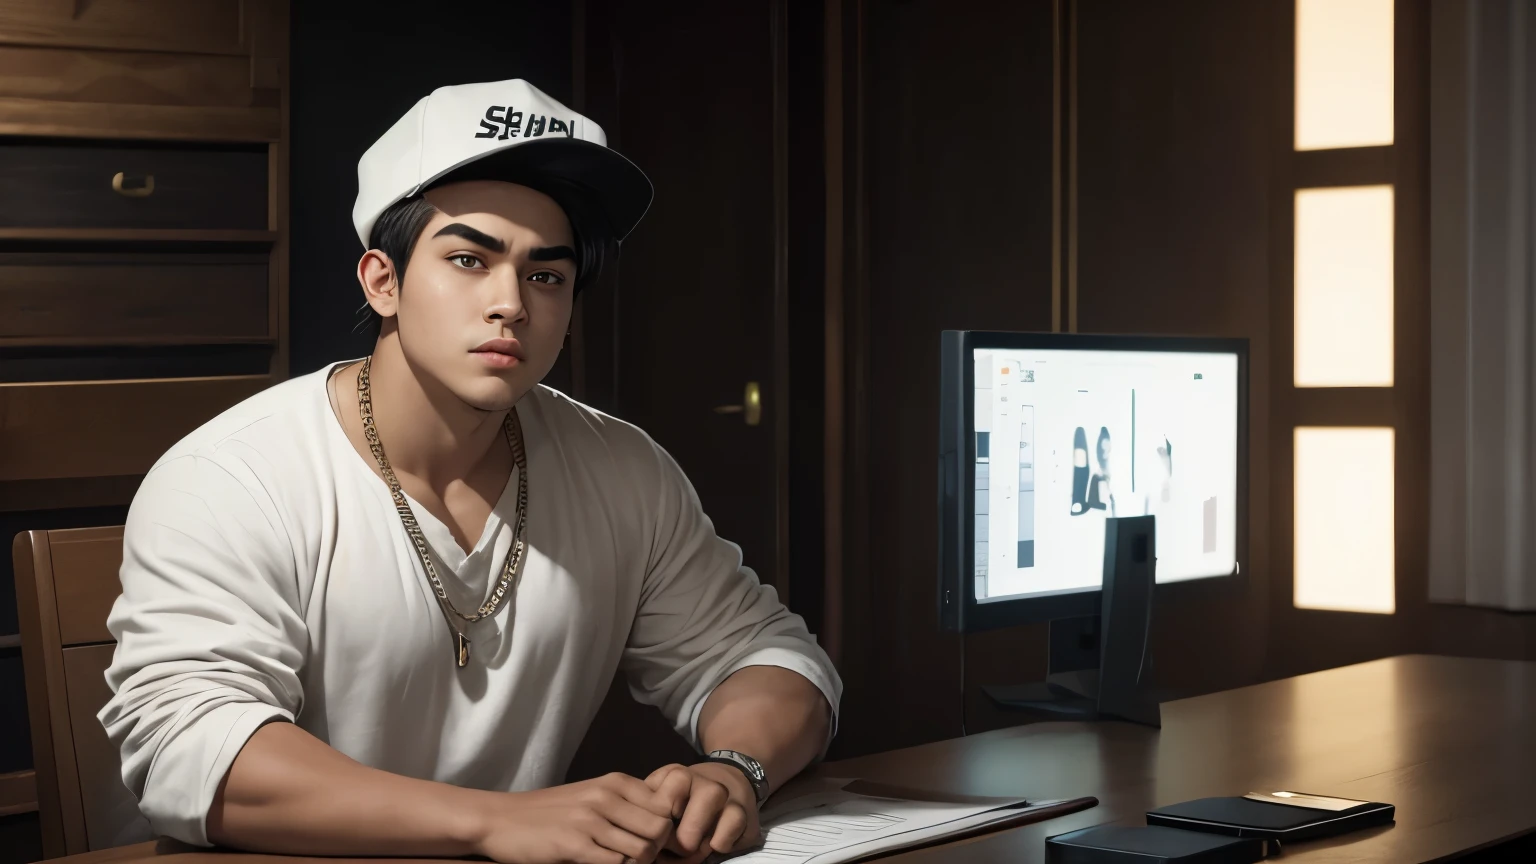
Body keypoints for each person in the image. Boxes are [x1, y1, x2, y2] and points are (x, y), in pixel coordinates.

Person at [98, 79, 840, 864]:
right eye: (467, 259)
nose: (510, 303)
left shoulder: (621, 467)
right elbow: (191, 747)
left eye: (546, 275)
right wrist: (492, 820)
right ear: (382, 281)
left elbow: (772, 662)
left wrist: (734, 771)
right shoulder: (236, 474)